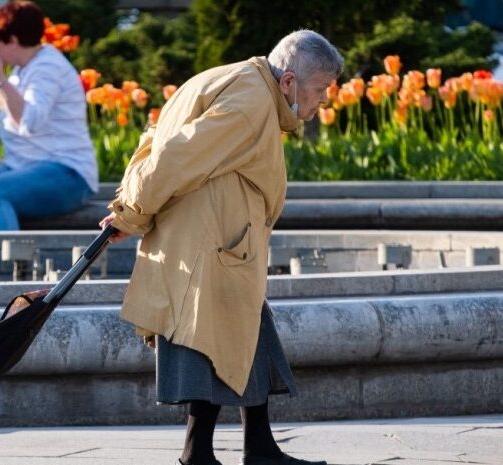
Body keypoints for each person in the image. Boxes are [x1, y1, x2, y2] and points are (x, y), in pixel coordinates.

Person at [100, 30, 343, 465]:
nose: (323, 100)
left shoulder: (230, 79)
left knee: (245, 335)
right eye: (321, 88)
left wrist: (132, 210)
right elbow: (175, 157)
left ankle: (258, 447)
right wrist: (130, 212)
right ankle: (199, 454)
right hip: (210, 246)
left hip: (218, 242)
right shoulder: (252, 102)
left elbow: (154, 139)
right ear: (289, 82)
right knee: (212, 343)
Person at [0, 0, 98, 230]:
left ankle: (14, 254)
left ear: (14, 41)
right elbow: (10, 110)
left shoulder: (47, 68)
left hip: (68, 174)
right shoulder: (24, 67)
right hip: (25, 166)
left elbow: (29, 122)